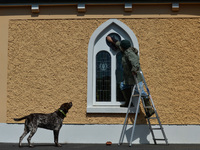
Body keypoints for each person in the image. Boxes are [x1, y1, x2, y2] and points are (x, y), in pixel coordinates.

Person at [106, 36, 155, 118]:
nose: (119, 47)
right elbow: (118, 44)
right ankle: (128, 102)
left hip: (135, 77)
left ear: (123, 48)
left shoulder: (129, 53)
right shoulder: (125, 49)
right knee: (122, 86)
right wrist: (112, 40)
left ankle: (149, 109)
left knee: (140, 92)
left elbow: (135, 62)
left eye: (121, 46)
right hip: (129, 78)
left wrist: (134, 70)